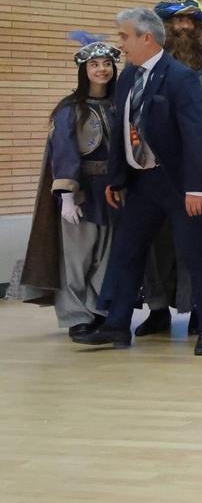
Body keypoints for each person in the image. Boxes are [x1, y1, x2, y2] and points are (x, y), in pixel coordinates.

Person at [74, 8, 202, 356]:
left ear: (147, 38)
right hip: (140, 183)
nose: (121, 44)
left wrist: (196, 187)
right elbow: (121, 131)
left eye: (125, 36)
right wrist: (116, 178)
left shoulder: (180, 77)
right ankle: (116, 326)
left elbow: (194, 137)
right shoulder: (128, 77)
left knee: (196, 254)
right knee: (126, 252)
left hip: (179, 184)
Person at [135, 0, 202, 337]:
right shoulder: (141, 71)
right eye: (175, 21)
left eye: (190, 21)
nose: (183, 27)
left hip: (201, 174)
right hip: (153, 174)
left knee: (199, 245)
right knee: (157, 246)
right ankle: (157, 308)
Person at [21, 37, 121, 338]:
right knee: (76, 259)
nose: (101, 69)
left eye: (106, 64)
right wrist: (67, 197)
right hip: (82, 192)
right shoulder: (70, 108)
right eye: (94, 65)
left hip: (114, 192)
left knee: (107, 256)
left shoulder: (120, 105)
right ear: (84, 69)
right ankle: (76, 314)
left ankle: (99, 310)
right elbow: (64, 151)